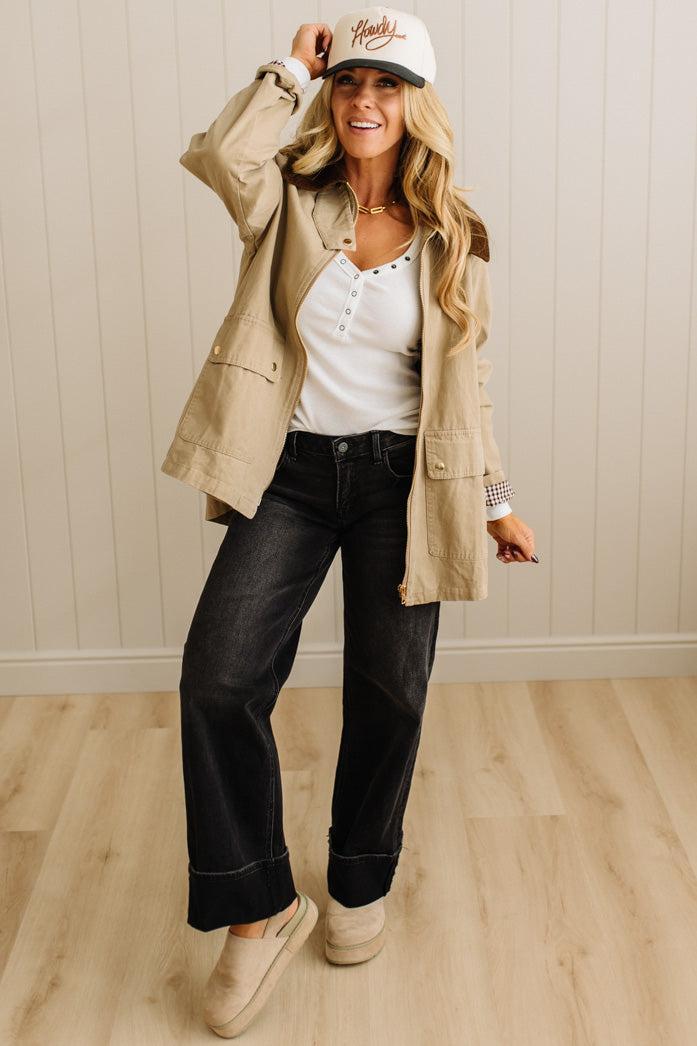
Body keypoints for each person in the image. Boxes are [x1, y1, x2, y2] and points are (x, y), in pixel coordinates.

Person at [162, 7, 537, 1037]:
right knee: (219, 676)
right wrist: (289, 69)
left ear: (417, 104)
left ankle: (359, 876)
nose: (364, 101)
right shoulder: (286, 197)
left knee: (389, 690)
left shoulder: (456, 233)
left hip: (401, 480)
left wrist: (494, 499)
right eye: (350, 84)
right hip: (284, 471)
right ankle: (259, 904)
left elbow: (469, 386)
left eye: (386, 86)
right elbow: (216, 156)